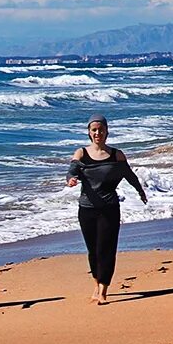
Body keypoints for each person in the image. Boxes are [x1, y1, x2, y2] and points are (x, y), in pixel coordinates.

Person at [66, 116, 148, 304]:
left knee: (107, 249)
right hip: (86, 209)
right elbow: (72, 170)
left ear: (107, 132)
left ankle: (103, 289)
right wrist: (71, 179)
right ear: (89, 132)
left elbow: (129, 175)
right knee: (93, 251)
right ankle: (96, 283)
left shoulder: (116, 155)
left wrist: (140, 191)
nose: (97, 133)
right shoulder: (81, 154)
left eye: (101, 129)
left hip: (109, 209)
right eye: (94, 130)